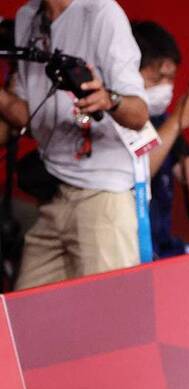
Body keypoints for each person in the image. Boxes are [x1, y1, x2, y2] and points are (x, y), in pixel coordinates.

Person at [0, 0, 149, 289]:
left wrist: (110, 99)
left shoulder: (101, 12)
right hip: (54, 195)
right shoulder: (27, 17)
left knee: (111, 311)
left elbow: (139, 114)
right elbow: (31, 118)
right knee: (29, 309)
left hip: (103, 196)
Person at [131, 20, 189, 258]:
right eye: (157, 79)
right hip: (131, 252)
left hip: (164, 248)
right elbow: (134, 177)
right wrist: (178, 120)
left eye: (171, 79)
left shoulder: (161, 121)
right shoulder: (115, 121)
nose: (166, 88)